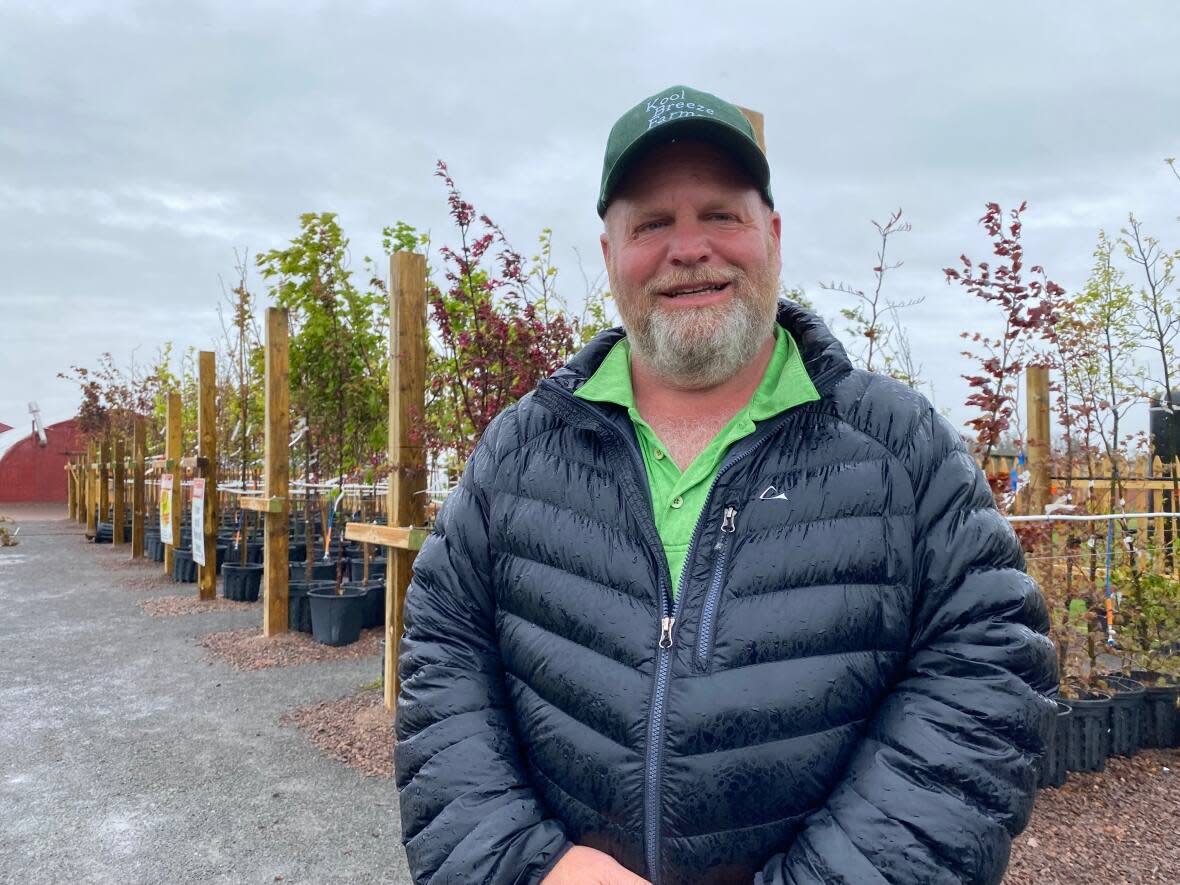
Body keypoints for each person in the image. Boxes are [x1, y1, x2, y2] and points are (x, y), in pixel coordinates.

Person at [395, 84, 1058, 885]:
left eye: (720, 214)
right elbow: (443, 653)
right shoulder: (520, 452)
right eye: (652, 224)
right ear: (609, 253)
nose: (689, 248)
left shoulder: (899, 448)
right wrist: (529, 865)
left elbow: (986, 671)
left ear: (772, 235)